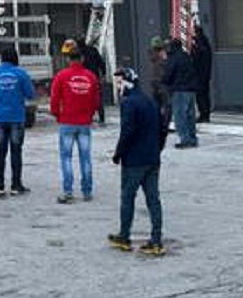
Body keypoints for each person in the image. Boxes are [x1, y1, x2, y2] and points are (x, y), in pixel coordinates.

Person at [108, 67, 166, 256]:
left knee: (127, 198)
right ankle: (156, 240)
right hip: (152, 158)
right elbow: (163, 129)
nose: (117, 87)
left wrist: (118, 153)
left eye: (118, 83)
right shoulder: (150, 101)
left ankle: (125, 236)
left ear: (125, 83)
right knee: (153, 199)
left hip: (134, 160)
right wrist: (158, 149)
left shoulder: (129, 103)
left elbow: (127, 131)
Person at [50, 46, 100, 203]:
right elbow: (96, 100)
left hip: (67, 122)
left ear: (68, 59)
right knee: (85, 158)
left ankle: (68, 192)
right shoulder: (91, 77)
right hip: (84, 123)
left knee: (66, 158)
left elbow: (54, 99)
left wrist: (58, 115)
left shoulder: (61, 76)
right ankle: (87, 191)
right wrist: (90, 116)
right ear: (82, 59)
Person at [0, 46, 34, 197]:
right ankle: (16, 185)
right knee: (16, 151)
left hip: (0, 117)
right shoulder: (21, 73)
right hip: (17, 117)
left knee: (0, 152)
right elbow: (30, 94)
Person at [163, 34, 199, 148]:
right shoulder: (186, 56)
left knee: (180, 115)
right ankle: (192, 138)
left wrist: (165, 82)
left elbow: (169, 74)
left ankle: (185, 139)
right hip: (191, 89)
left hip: (179, 90)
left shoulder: (173, 58)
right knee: (190, 115)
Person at [79, 38, 107, 124]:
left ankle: (88, 117)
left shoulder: (79, 54)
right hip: (95, 77)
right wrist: (103, 74)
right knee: (98, 98)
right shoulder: (93, 50)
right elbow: (102, 63)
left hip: (84, 79)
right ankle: (102, 118)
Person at [191, 23, 215, 124]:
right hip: (204, 74)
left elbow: (199, 55)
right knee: (203, 95)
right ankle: (205, 114)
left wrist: (193, 48)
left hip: (201, 74)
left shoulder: (201, 43)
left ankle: (204, 115)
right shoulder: (204, 42)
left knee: (201, 95)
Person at [146, 39, 172, 129]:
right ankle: (164, 124)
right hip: (162, 82)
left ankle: (157, 123)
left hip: (154, 82)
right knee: (167, 104)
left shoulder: (152, 54)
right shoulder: (162, 56)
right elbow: (167, 66)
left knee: (156, 104)